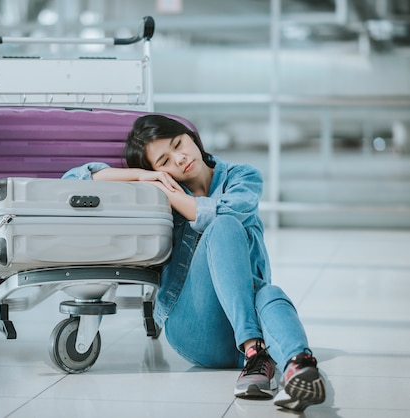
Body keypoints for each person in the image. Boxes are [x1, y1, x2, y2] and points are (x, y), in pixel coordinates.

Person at [63, 114, 326, 411]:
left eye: (178, 144)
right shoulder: (156, 192)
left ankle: (298, 368)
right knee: (225, 229)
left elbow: (225, 212)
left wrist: (176, 199)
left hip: (249, 323)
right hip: (195, 329)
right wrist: (142, 177)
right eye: (164, 161)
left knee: (270, 293)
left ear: (191, 137)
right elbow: (73, 180)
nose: (179, 159)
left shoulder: (243, 177)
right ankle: (257, 352)